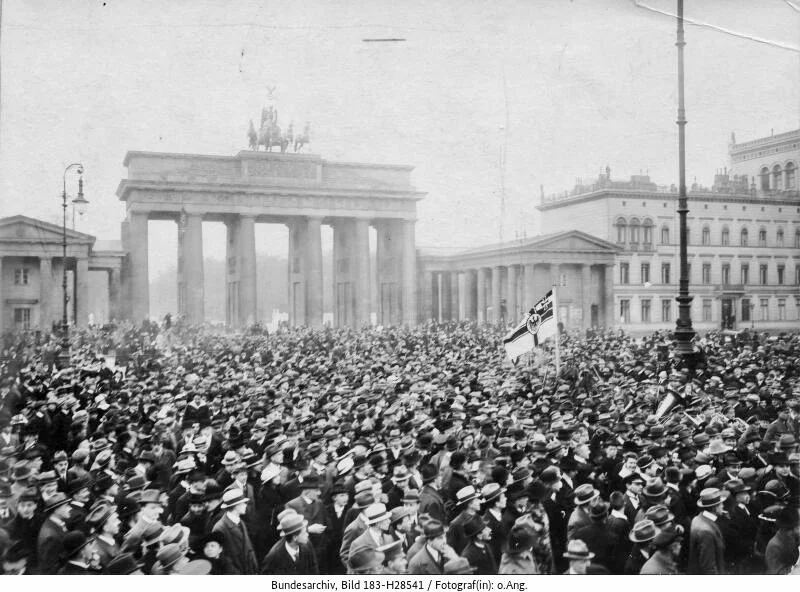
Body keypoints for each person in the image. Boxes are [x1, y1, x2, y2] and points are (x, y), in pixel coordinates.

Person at [212, 489, 259, 574]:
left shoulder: (240, 522)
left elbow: (249, 549)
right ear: (236, 506)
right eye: (243, 503)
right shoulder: (220, 528)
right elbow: (221, 559)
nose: (245, 505)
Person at [688, 488, 726, 575]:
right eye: (721, 504)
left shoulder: (697, 518)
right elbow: (709, 568)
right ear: (715, 508)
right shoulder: (706, 532)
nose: (723, 506)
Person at [764, 505, 800, 574]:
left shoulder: (794, 536)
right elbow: (778, 573)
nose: (796, 530)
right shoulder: (774, 546)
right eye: (790, 529)